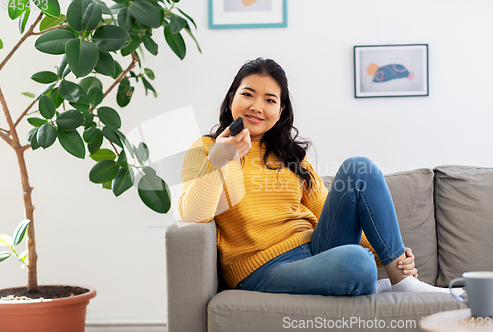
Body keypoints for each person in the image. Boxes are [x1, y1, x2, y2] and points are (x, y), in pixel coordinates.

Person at [177, 57, 460, 296]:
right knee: (357, 263)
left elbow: (330, 213)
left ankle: (404, 283)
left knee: (359, 167)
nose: (257, 107)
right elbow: (192, 215)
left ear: (280, 110)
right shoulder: (207, 149)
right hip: (262, 268)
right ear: (231, 99)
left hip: (316, 249)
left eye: (270, 99)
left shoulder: (290, 156)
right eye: (248, 94)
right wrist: (222, 158)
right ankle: (371, 277)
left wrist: (390, 254)